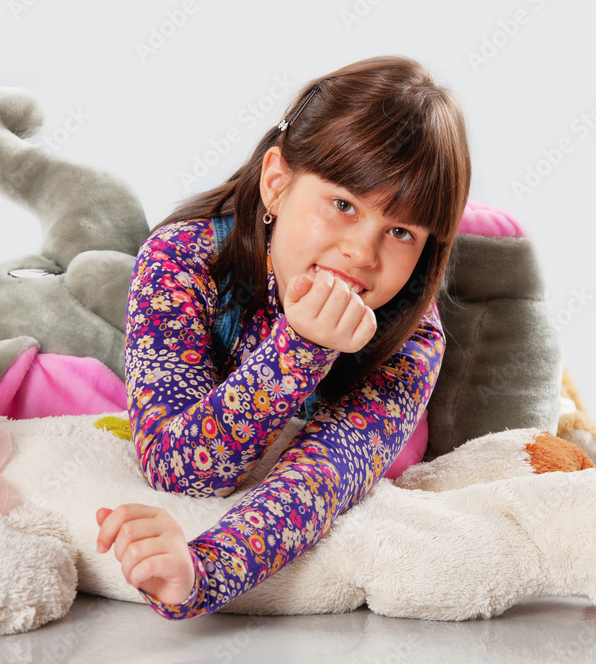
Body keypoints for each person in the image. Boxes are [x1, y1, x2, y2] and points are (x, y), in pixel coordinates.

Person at [96, 54, 471, 619]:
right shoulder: (183, 257)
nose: (362, 254)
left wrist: (203, 570)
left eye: (399, 232)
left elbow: (323, 478)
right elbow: (179, 469)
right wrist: (301, 348)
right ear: (277, 183)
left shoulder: (413, 339)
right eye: (343, 205)